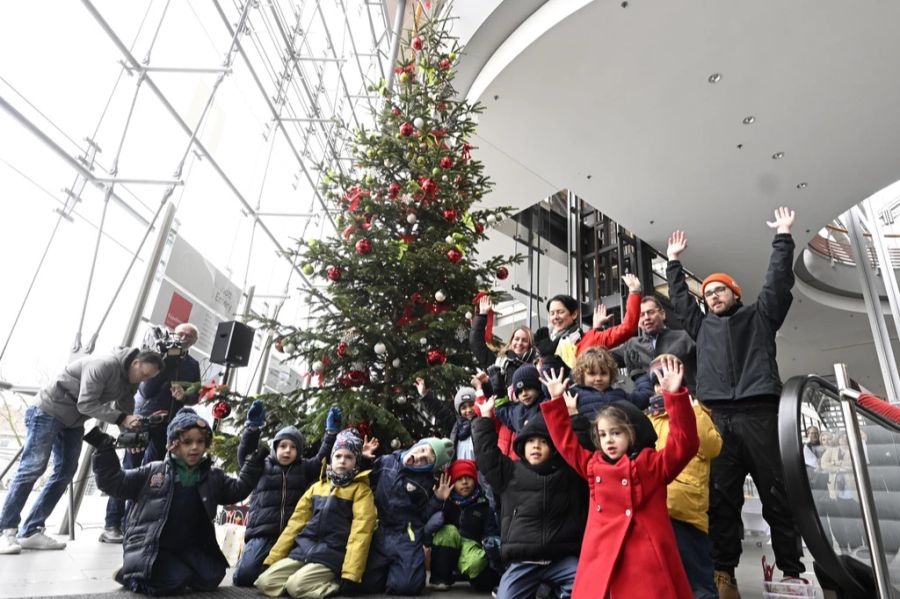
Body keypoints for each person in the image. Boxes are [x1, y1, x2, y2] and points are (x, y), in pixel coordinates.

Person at [666, 206, 806, 598]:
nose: (712, 297)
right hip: (716, 419)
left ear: (735, 293)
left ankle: (792, 572)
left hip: (760, 414)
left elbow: (778, 284)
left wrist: (782, 236)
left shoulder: (759, 318)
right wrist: (674, 263)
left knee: (776, 495)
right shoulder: (700, 326)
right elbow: (680, 301)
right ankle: (723, 573)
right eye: (708, 293)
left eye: (719, 290)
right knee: (721, 500)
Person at [540, 356, 699, 598]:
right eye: (603, 435)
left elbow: (685, 445)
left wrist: (675, 397)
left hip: (647, 565)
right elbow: (566, 443)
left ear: (631, 434)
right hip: (602, 560)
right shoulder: (593, 466)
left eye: (616, 433)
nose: (609, 440)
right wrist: (555, 401)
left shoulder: (651, 465)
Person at [86, 407, 266, 595]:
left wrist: (252, 462)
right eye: (187, 442)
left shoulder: (212, 476)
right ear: (173, 444)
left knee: (213, 576)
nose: (195, 447)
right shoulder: (153, 472)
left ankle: (169, 571)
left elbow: (238, 490)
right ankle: (131, 577)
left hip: (189, 545)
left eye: (200, 442)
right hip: (154, 546)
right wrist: (103, 448)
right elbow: (115, 483)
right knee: (175, 580)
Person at [0, 347, 163, 554]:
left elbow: (125, 410)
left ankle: (31, 531)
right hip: (48, 411)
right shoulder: (104, 364)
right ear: (135, 363)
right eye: (144, 374)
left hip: (72, 422)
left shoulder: (129, 381)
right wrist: (123, 419)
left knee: (66, 472)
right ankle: (5, 529)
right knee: (32, 468)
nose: (144, 380)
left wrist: (130, 437)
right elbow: (86, 404)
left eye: (148, 378)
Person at [473, 395, 588, 599]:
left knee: (587, 588)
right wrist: (485, 418)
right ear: (522, 446)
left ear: (553, 448)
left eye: (543, 442)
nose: (536, 446)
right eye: (531, 441)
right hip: (523, 561)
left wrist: (574, 415)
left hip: (561, 558)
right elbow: (487, 457)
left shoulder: (566, 472)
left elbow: (582, 451)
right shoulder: (510, 472)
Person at [102, 322, 202, 543]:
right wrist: (164, 362)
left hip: (169, 426)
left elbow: (196, 394)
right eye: (181, 333)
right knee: (129, 470)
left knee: (152, 475)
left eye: (189, 336)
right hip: (143, 419)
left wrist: (184, 396)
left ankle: (133, 523)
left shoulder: (192, 364)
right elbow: (144, 390)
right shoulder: (155, 354)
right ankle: (112, 523)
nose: (184, 337)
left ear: (194, 342)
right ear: (173, 333)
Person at [255, 429, 376, 599]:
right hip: (303, 550)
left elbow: (361, 533)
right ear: (331, 459)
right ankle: (303, 582)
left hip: (331, 555)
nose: (342, 461)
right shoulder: (317, 488)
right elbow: (295, 524)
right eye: (338, 456)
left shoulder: (361, 491)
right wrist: (272, 559)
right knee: (264, 582)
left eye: (349, 457)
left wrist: (351, 574)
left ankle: (333, 584)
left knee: (295, 587)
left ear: (356, 462)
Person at [232, 401, 342, 587]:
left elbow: (322, 458)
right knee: (244, 577)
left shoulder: (304, 468)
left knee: (286, 576)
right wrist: (252, 429)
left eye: (293, 447)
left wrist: (331, 434)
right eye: (283, 446)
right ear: (275, 448)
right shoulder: (262, 466)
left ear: (298, 451)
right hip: (262, 533)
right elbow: (245, 455)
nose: (287, 450)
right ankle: (250, 563)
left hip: (291, 536)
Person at [645, 355, 723, 599]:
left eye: (669, 378)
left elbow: (712, 447)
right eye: (658, 381)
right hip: (655, 512)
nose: (663, 385)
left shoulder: (698, 413)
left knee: (698, 583)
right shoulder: (647, 419)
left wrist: (690, 408)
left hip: (687, 513)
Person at [358, 436, 454, 595]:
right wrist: (364, 459)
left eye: (426, 460)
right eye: (422, 450)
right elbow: (366, 479)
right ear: (417, 445)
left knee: (407, 587)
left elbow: (423, 515)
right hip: (381, 530)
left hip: (406, 534)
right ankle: (387, 571)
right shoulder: (387, 461)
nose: (420, 457)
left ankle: (401, 570)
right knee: (367, 584)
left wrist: (437, 499)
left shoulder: (425, 483)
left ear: (428, 467)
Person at [532, 273, 642, 376]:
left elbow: (627, 328)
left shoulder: (591, 338)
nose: (555, 317)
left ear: (574, 314)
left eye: (560, 312)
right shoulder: (544, 345)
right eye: (552, 313)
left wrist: (634, 292)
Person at [470, 295, 536, 458]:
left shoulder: (535, 366)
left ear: (530, 344)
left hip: (526, 419)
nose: (519, 343)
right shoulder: (498, 362)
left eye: (524, 341)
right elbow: (476, 343)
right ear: (511, 340)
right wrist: (483, 315)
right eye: (516, 339)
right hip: (502, 421)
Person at [426, 459, 500, 592]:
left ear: (475, 480)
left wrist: (491, 546)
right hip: (448, 548)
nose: (464, 482)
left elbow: (490, 532)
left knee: (477, 563)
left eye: (468, 478)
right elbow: (428, 519)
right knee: (447, 531)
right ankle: (440, 579)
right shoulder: (447, 502)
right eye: (459, 479)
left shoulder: (483, 506)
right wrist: (439, 500)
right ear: (453, 482)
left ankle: (481, 581)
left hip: (471, 549)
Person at [611, 295, 697, 393]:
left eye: (651, 312)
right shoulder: (632, 345)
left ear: (662, 314)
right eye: (642, 315)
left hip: (685, 398)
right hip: (651, 403)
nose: (646, 317)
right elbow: (600, 356)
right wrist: (596, 330)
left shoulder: (685, 337)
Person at [416, 379, 478, 460]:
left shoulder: (485, 421)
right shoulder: (456, 426)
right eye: (463, 408)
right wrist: (425, 395)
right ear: (459, 411)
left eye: (471, 405)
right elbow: (439, 410)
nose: (468, 410)